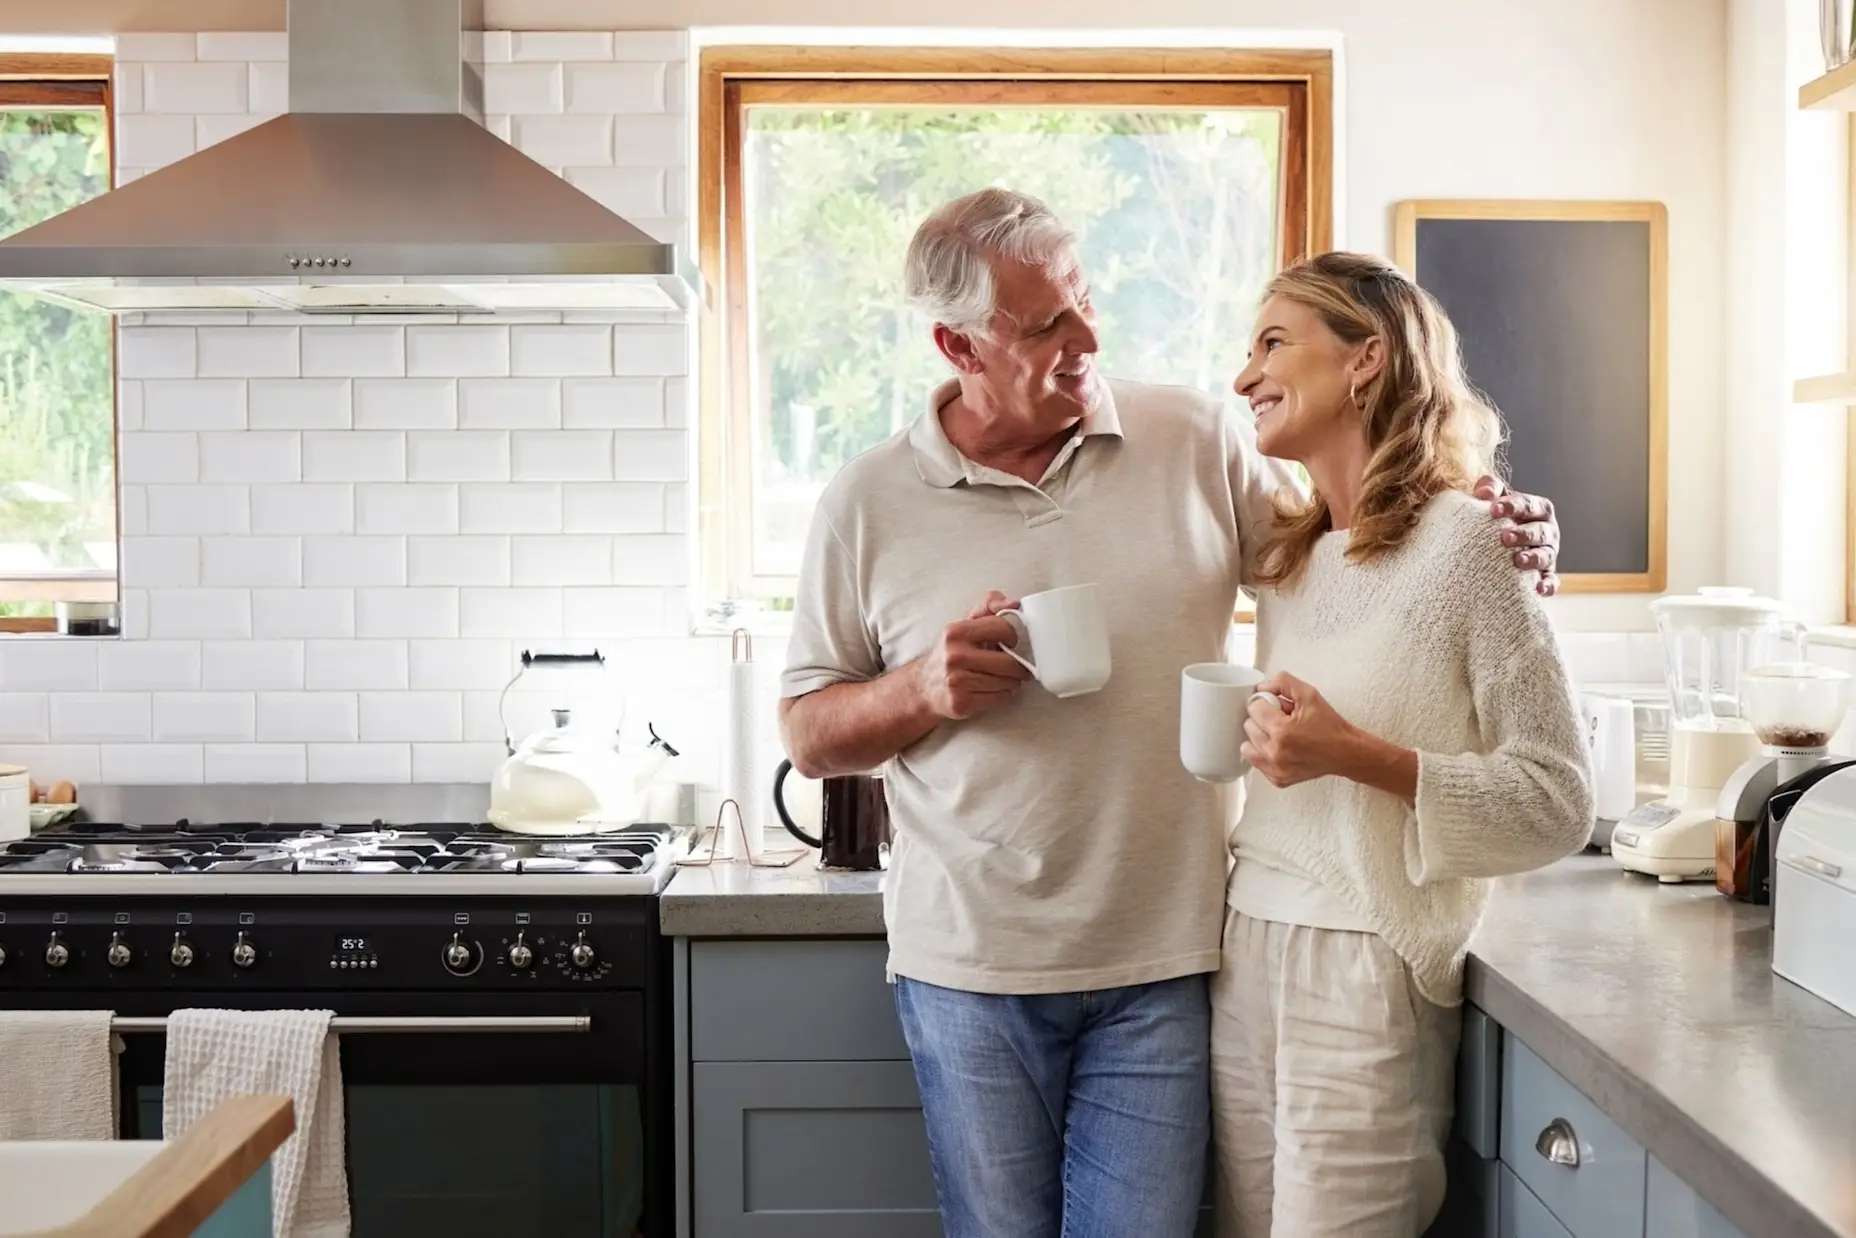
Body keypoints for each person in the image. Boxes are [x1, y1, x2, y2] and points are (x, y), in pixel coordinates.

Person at [776, 187, 1561, 1238]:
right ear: (955, 342)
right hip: (967, 961)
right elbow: (807, 732)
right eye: (1045, 322)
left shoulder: (1192, 439)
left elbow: (1345, 548)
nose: (1086, 336)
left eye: (1084, 301)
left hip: (1171, 955)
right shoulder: (866, 500)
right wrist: (921, 687)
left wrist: (1491, 514)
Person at [1213, 251, 1595, 1237]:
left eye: (1269, 343)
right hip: (1242, 948)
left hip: (1365, 963)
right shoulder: (1284, 557)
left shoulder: (1468, 543)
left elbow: (1556, 796)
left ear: (1363, 358)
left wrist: (1354, 753)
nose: (1241, 375)